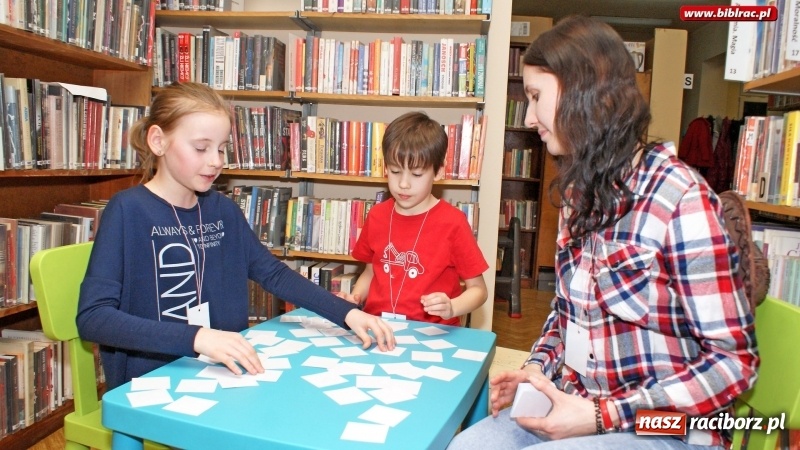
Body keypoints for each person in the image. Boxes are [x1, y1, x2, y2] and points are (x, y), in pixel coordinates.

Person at [447, 16, 758, 450]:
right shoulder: (579, 193)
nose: (530, 117)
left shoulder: (680, 199)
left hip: (667, 428)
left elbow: (734, 364)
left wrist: (601, 416)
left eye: (536, 97)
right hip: (581, 404)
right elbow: (566, 313)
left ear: (584, 93)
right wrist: (536, 369)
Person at [77, 82, 396, 394]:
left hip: (221, 371)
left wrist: (346, 313)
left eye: (221, 148)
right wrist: (197, 337)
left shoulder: (222, 210)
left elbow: (273, 274)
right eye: (201, 148)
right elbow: (93, 318)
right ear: (158, 141)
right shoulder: (127, 210)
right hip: (152, 382)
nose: (216, 161)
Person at [340, 111, 489, 325]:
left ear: (438, 172)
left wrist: (452, 307)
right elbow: (370, 273)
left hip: (432, 332)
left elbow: (479, 290)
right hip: (379, 327)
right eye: (395, 171)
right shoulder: (376, 216)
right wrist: (355, 297)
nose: (404, 184)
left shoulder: (453, 222)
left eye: (417, 174)